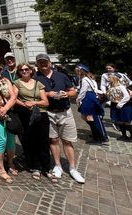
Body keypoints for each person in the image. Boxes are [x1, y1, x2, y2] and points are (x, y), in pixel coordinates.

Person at [35, 53, 85, 183]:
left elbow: (73, 91)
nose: (43, 64)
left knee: (67, 141)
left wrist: (66, 94)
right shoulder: (36, 77)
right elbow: (34, 94)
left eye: (45, 61)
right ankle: (57, 165)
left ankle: (73, 168)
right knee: (53, 140)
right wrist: (48, 93)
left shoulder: (61, 76)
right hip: (48, 112)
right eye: (40, 62)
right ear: (37, 64)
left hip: (65, 111)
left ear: (50, 63)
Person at [13, 63, 56, 182]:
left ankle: (46, 168)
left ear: (31, 71)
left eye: (26, 69)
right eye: (22, 70)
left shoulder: (38, 84)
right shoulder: (16, 83)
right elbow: (14, 98)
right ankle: (35, 167)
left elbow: (45, 102)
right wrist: (24, 104)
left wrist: (34, 103)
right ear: (19, 72)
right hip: (26, 115)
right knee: (30, 141)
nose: (24, 71)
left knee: (43, 141)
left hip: (40, 114)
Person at [75, 64, 108, 143]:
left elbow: (83, 90)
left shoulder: (84, 79)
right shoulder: (87, 79)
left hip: (88, 98)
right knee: (90, 117)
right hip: (90, 97)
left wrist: (78, 99)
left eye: (78, 71)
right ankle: (97, 135)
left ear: (81, 71)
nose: (77, 73)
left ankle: (99, 136)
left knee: (91, 117)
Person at [106, 74, 132, 142]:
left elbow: (127, 96)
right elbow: (112, 96)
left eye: (109, 77)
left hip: (123, 106)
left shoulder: (121, 87)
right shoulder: (110, 86)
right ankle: (124, 136)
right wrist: (110, 101)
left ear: (114, 78)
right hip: (115, 105)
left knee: (127, 122)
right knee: (119, 121)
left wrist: (120, 104)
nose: (108, 78)